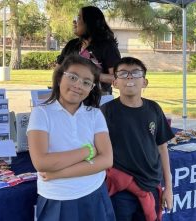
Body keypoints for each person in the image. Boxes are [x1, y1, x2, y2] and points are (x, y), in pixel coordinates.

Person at [27, 54, 115, 221]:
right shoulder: (41, 113)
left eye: (86, 82)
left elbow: (106, 160)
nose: (78, 85)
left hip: (95, 193)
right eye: (73, 77)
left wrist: (59, 173)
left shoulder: (95, 115)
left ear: (91, 89)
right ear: (60, 78)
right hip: (57, 197)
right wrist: (88, 150)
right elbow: (42, 163)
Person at [101, 57, 174, 221]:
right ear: (115, 82)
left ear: (145, 82)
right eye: (123, 73)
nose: (129, 77)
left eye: (135, 73)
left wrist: (168, 188)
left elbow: (162, 148)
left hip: (151, 185)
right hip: (120, 189)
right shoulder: (105, 112)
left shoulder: (154, 109)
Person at [56, 6, 121, 95]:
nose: (74, 22)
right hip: (69, 96)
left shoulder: (108, 46)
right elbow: (57, 71)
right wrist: (56, 90)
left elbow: (117, 77)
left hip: (98, 98)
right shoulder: (71, 45)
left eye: (79, 18)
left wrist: (91, 76)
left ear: (89, 23)